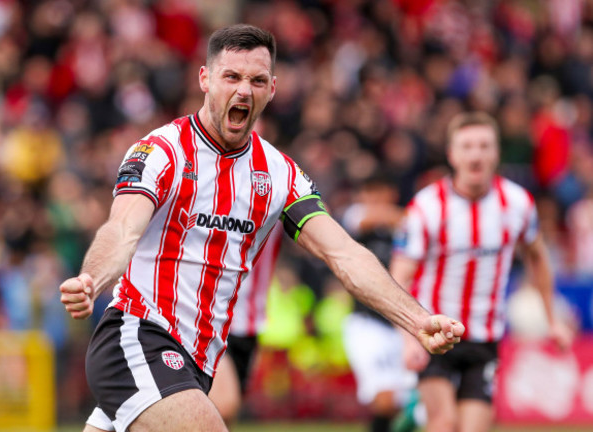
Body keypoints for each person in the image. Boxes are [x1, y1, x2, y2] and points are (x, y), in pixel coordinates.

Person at [59, 24, 465, 432]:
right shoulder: (161, 150)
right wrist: (92, 278)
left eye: (256, 80)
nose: (243, 90)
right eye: (231, 77)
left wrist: (417, 320)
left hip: (198, 360)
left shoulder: (280, 174)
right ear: (205, 79)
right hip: (137, 336)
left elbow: (344, 253)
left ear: (272, 89)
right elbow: (123, 229)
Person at [389, 111, 574, 432]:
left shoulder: (517, 204)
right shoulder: (427, 206)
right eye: (468, 146)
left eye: (484, 145)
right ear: (452, 154)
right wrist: (407, 339)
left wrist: (552, 318)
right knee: (444, 423)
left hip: (485, 336)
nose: (476, 154)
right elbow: (399, 275)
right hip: (434, 333)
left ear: (496, 153)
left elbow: (538, 257)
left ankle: (412, 418)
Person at [341, 174, 420, 432]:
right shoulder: (355, 218)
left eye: (378, 194)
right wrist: (406, 218)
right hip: (367, 323)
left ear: (391, 193)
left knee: (407, 407)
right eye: (368, 194)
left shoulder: (406, 230)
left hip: (400, 325)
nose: (372, 201)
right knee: (385, 402)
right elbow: (364, 217)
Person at [208, 224, 282, 427]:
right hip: (209, 317)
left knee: (225, 417)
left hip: (249, 324)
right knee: (223, 405)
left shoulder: (282, 192)